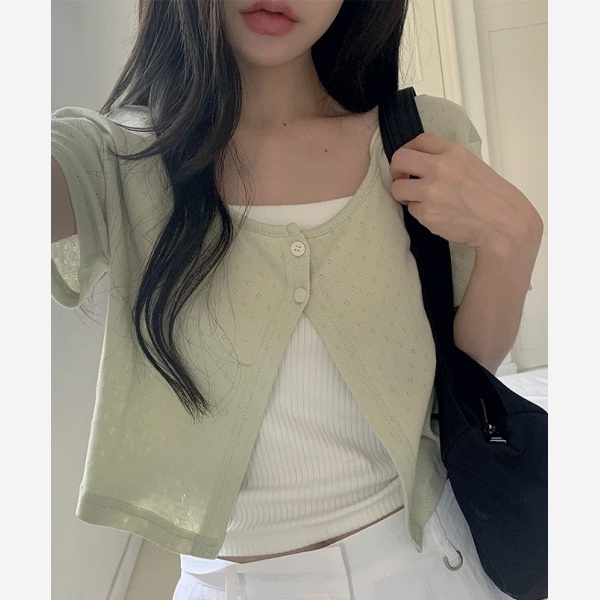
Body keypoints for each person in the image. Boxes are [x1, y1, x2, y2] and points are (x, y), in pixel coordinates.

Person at [51, 1, 544, 598]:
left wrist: (515, 242)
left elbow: (467, 377)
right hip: (229, 583)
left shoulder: (418, 140)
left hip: (434, 560)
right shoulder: (115, 157)